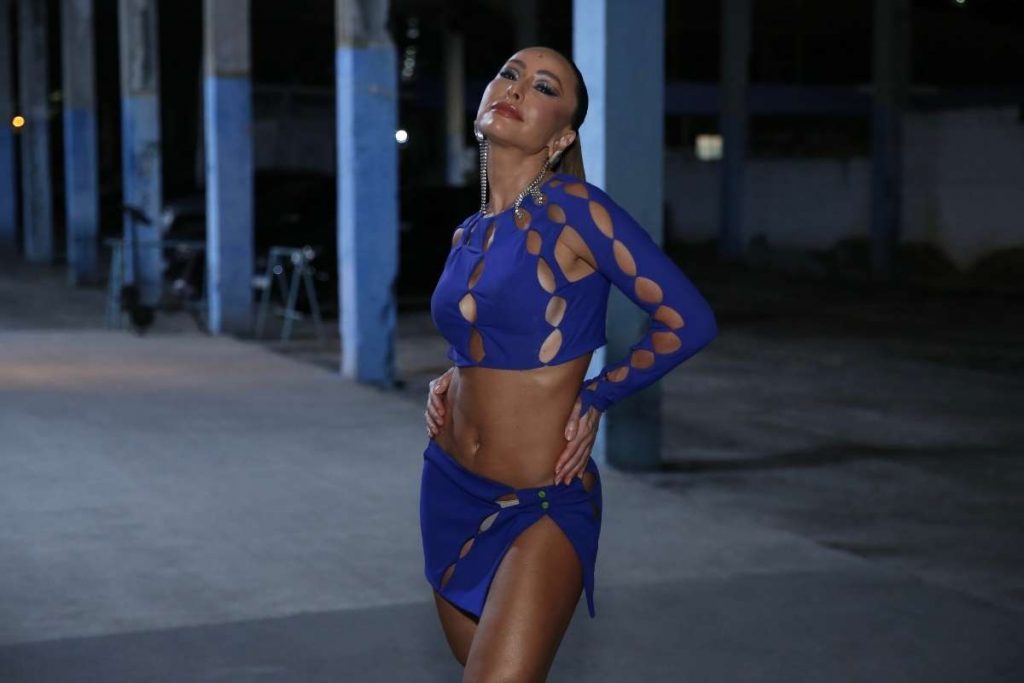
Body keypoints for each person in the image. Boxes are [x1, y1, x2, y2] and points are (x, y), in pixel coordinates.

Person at [419, 46, 718, 681]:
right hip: (449, 487)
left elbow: (688, 319)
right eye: (509, 74)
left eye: (543, 86)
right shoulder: (467, 231)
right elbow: (491, 335)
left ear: (561, 138)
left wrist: (599, 393)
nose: (516, 88)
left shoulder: (576, 208)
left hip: (542, 503)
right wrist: (454, 374)